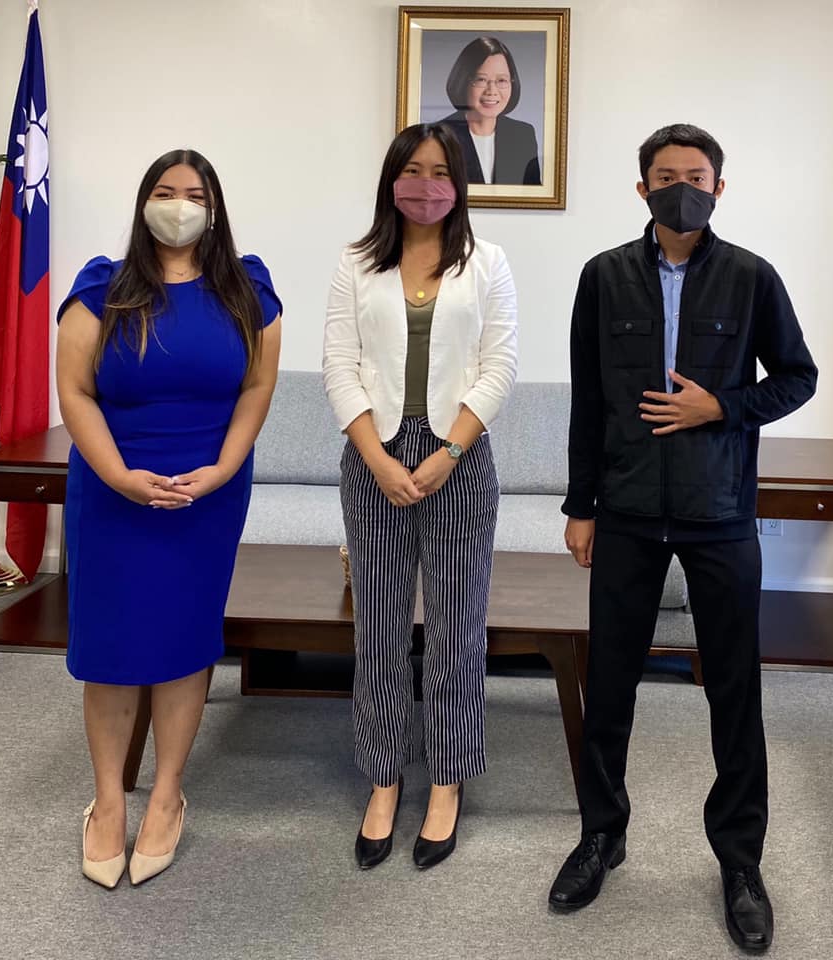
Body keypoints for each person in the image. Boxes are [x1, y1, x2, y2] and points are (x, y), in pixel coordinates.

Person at [547, 124, 817, 952]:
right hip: (627, 510)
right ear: (642, 189)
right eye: (666, 177)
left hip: (720, 512)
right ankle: (601, 835)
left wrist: (720, 407)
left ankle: (740, 862)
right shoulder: (602, 277)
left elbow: (798, 378)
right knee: (610, 685)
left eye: (696, 177)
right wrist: (581, 505)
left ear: (719, 188)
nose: (682, 190)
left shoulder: (751, 277)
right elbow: (589, 400)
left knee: (734, 690)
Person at [56, 149, 282, 888]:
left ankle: (166, 795)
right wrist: (118, 477)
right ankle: (107, 801)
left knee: (185, 643)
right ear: (143, 202)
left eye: (194, 194)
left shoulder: (247, 290)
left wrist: (223, 468)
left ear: (214, 209)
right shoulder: (102, 288)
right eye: (164, 191)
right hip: (112, 492)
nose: (178, 205)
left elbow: (256, 388)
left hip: (204, 496)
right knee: (112, 648)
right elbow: (75, 391)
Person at [323, 123, 517, 870]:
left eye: (441, 172)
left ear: (459, 184)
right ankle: (383, 777)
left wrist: (450, 453)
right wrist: (376, 459)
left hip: (458, 457)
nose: (426, 185)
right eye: (412, 170)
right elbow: (338, 364)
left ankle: (445, 779)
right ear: (391, 180)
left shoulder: (488, 262)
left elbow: (499, 366)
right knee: (377, 629)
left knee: (456, 631)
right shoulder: (356, 262)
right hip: (374, 454)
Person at [440, 36, 541, 186]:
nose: (492, 91)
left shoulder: (522, 135)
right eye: (481, 79)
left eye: (501, 80)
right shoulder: (439, 136)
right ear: (462, 81)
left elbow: (533, 194)